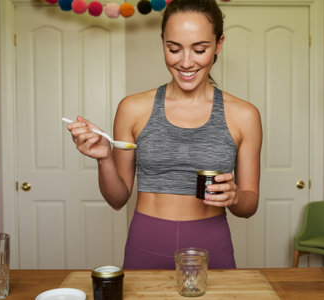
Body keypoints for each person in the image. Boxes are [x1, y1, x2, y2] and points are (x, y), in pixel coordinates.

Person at [66, 0, 262, 269]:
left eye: (200, 49)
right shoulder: (132, 109)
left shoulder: (244, 115)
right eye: (174, 48)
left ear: (218, 44)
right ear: (163, 43)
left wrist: (236, 196)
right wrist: (104, 159)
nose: (186, 62)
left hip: (212, 245)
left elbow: (249, 205)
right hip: (145, 243)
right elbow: (117, 199)